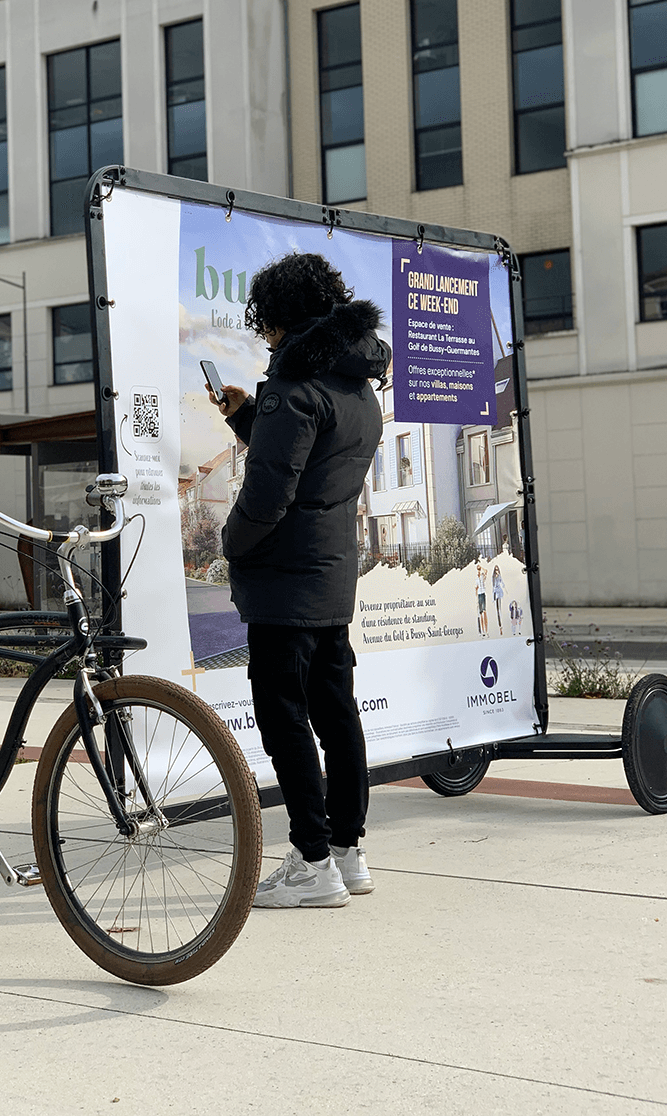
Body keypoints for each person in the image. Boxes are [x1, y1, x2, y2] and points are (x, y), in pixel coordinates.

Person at [206, 252, 390, 909]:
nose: (266, 337)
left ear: (282, 317)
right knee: (336, 711)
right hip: (334, 564)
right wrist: (247, 414)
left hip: (284, 573)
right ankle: (347, 850)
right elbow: (311, 459)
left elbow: (270, 495)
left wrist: (230, 542)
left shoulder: (294, 386)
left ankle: (312, 862)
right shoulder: (354, 385)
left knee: (284, 714)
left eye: (268, 324)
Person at [475, 560, 488, 636]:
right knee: (480, 613)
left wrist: (481, 567)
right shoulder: (476, 579)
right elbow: (476, 588)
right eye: (478, 569)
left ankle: (486, 630)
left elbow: (486, 571)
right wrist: (476, 598)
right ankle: (482, 631)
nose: (479, 571)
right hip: (479, 595)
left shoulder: (482, 576)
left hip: (483, 593)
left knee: (484, 612)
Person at [491, 564, 505, 634]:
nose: (496, 571)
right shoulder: (493, 578)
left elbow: (502, 583)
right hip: (495, 593)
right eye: (495, 570)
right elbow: (493, 587)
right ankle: (500, 625)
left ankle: (501, 625)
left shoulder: (499, 576)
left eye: (497, 570)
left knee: (500, 609)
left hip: (499, 593)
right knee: (497, 609)